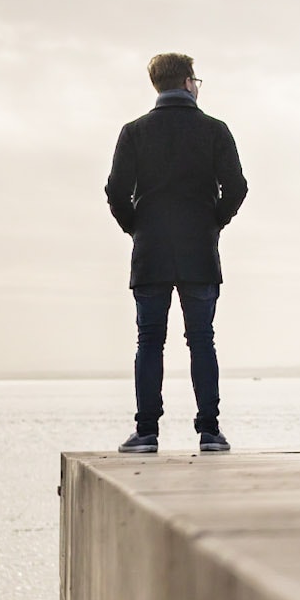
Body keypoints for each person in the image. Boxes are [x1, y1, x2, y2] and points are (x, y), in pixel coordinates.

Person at [105, 53, 247, 453]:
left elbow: (115, 192)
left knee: (149, 341)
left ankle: (146, 432)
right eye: (196, 80)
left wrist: (136, 226)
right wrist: (214, 222)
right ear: (187, 82)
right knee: (201, 339)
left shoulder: (134, 132)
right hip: (199, 250)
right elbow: (236, 188)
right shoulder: (214, 130)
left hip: (150, 250)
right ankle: (210, 432)